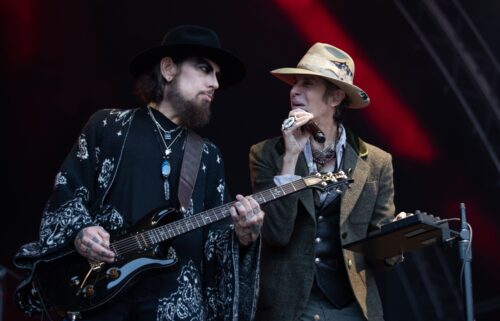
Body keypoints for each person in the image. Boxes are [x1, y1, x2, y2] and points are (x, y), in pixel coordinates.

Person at [13, 25, 263, 321]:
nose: (215, 83)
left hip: (176, 306)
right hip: (102, 297)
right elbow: (67, 190)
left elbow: (214, 242)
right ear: (168, 69)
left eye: (217, 75)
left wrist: (243, 236)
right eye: (204, 69)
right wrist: (82, 231)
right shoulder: (108, 126)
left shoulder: (207, 155)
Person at [249, 42, 405, 321]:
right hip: (291, 307)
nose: (294, 90)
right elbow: (276, 234)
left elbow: (378, 258)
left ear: (335, 98)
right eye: (295, 82)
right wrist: (290, 157)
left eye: (307, 83)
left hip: (352, 308)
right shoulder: (266, 154)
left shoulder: (377, 162)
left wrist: (395, 239)